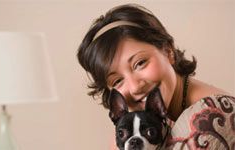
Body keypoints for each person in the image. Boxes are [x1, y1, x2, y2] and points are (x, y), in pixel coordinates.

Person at [77, 4, 235, 149]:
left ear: (168, 51)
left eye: (140, 63)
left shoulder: (207, 119)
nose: (134, 86)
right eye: (117, 81)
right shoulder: (146, 120)